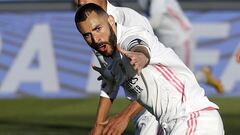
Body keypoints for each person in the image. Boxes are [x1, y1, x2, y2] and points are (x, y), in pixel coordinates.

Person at [75, 3, 225, 135]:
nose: (96, 39)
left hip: (192, 117)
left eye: (98, 29)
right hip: (175, 124)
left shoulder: (130, 36)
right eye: (87, 35)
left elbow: (139, 45)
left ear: (111, 21)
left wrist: (140, 56)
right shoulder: (110, 55)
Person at [74, 0, 161, 135]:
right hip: (142, 105)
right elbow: (111, 76)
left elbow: (157, 78)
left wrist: (125, 116)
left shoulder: (129, 19)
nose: (81, 1)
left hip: (159, 104)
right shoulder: (93, 31)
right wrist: (98, 125)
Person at [137, 0, 224, 93]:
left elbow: (155, 21)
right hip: (166, 41)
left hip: (181, 39)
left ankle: (202, 77)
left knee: (184, 77)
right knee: (171, 76)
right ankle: (203, 75)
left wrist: (135, 26)